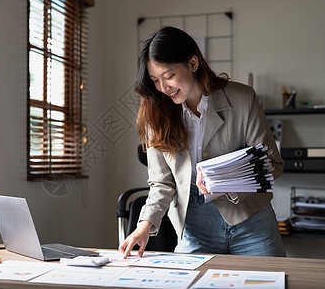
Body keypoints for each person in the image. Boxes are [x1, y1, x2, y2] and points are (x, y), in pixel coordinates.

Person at [119, 26, 285, 258]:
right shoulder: (155, 115)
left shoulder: (242, 99)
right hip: (195, 226)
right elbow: (162, 183)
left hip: (251, 220)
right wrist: (145, 225)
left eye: (169, 76)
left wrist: (226, 182)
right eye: (155, 80)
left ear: (193, 63)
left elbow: (272, 165)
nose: (163, 88)